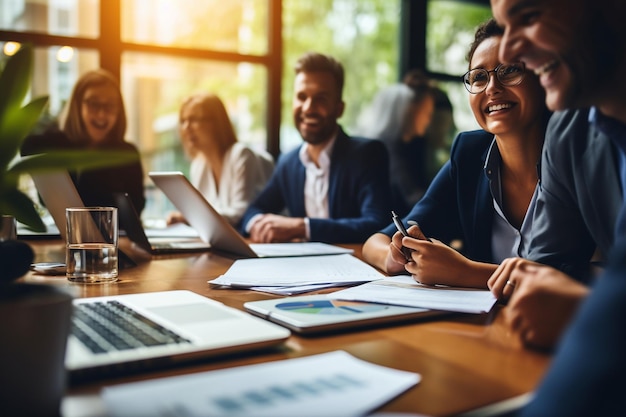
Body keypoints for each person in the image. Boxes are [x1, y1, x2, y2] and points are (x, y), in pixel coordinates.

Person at [487, 0, 626, 415]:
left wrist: (592, 315)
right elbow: (540, 277)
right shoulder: (569, 130)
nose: (509, 51)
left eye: (528, 17)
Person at [362, 18, 549, 289]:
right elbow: (373, 244)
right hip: (485, 326)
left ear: (541, 77)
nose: (492, 87)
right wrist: (396, 256)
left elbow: (587, 279)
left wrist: (465, 272)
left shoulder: (577, 157)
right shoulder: (469, 155)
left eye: (509, 70)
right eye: (479, 77)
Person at [240, 52, 392, 244]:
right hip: (304, 267)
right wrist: (257, 224)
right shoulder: (289, 162)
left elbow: (376, 224)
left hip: (356, 268)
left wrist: (302, 227)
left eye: (320, 99)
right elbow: (253, 211)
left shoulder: (368, 154)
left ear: (339, 109)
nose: (308, 108)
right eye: (301, 97)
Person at [22, 69, 145, 214]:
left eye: (110, 105)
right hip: (62, 235)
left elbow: (136, 207)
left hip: (114, 236)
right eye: (93, 103)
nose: (101, 113)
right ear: (77, 106)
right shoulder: (53, 145)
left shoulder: (127, 154)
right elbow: (26, 146)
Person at [166, 93, 274, 228]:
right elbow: (203, 216)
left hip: (268, 240)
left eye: (194, 119)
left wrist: (189, 217)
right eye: (183, 121)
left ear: (216, 122)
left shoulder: (241, 155)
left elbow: (242, 214)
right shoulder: (199, 165)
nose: (186, 127)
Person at [354, 82, 435, 214]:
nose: (428, 120)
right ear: (408, 111)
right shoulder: (387, 150)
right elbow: (412, 196)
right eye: (426, 113)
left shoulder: (405, 149)